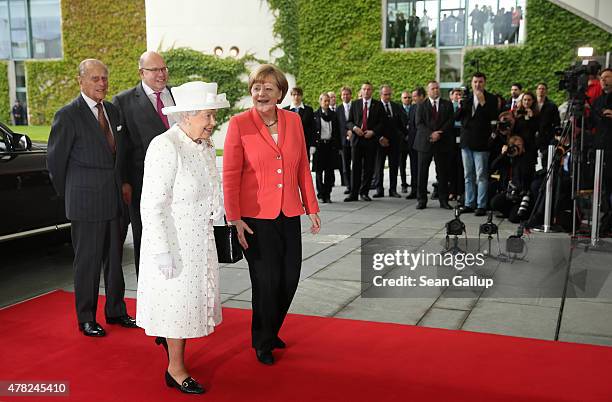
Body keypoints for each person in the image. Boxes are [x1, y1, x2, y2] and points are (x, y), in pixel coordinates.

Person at [223, 64, 321, 365]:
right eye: (256, 87)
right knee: (265, 281)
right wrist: (234, 217)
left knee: (289, 278)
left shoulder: (293, 121)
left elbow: (302, 165)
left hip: (289, 212)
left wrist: (312, 207)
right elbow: (230, 174)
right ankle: (262, 340)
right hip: (254, 218)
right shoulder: (239, 124)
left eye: (268, 87)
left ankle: (271, 327)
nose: (261, 92)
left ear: (280, 92)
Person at [136, 81, 229, 394]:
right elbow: (151, 204)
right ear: (187, 116)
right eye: (208, 116)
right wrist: (162, 251)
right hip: (175, 244)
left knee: (188, 306)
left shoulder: (203, 144)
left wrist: (219, 211)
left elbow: (211, 183)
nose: (213, 122)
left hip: (200, 241)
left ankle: (176, 360)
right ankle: (175, 370)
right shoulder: (165, 146)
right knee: (177, 308)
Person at [47, 59, 136, 337]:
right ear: (81, 81)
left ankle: (116, 310)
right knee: (87, 262)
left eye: (104, 78)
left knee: (114, 258)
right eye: (96, 79)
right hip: (85, 203)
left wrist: (123, 182)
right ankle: (86, 317)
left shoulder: (112, 111)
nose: (102, 83)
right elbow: (55, 162)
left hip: (114, 201)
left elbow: (120, 154)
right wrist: (73, 194)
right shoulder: (68, 115)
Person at [112, 51, 175, 276]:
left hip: (180, 185)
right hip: (144, 185)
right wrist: (124, 182)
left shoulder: (177, 96)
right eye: (155, 70)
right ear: (141, 72)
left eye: (164, 68)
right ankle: (150, 294)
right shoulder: (123, 101)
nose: (161, 74)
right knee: (148, 239)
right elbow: (121, 148)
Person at [456, 72, 499, 216]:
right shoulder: (466, 97)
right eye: (475, 82)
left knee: (481, 175)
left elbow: (493, 118)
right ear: (472, 82)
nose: (477, 84)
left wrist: (483, 103)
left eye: (480, 82)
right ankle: (469, 203)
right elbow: (457, 117)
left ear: (484, 83)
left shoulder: (491, 99)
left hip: (481, 142)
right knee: (468, 175)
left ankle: (481, 205)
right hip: (466, 141)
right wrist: (461, 104)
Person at [414, 81, 454, 210]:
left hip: (442, 143)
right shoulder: (421, 105)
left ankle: (443, 200)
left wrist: (439, 133)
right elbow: (419, 124)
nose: (436, 90)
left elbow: (450, 121)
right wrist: (431, 134)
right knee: (422, 173)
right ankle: (421, 200)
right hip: (425, 143)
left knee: (443, 173)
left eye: (437, 88)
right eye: (433, 88)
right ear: (428, 90)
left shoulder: (447, 104)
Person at [344, 81, 387, 202]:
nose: (366, 91)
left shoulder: (378, 105)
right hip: (357, 140)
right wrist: (354, 128)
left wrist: (373, 132)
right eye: (364, 89)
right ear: (361, 91)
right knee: (356, 167)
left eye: (369, 89)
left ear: (372, 91)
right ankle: (353, 193)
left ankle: (364, 192)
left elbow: (382, 123)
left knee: (369, 168)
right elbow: (349, 121)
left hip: (370, 140)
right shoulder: (356, 104)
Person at [490, 136, 533, 223]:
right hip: (509, 192)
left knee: (514, 219)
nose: (517, 147)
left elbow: (526, 175)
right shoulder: (508, 158)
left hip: (521, 194)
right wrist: (503, 154)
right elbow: (493, 167)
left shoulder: (527, 158)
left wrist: (519, 156)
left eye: (519, 145)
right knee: (494, 202)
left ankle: (514, 213)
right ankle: (509, 212)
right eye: (514, 145)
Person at [373, 85, 404, 198]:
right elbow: (373, 125)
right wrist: (380, 138)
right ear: (381, 94)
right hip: (380, 141)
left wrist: (401, 136)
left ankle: (393, 189)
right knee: (379, 166)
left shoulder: (396, 106)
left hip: (394, 142)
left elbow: (401, 123)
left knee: (394, 166)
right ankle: (379, 189)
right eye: (385, 94)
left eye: (389, 94)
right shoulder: (375, 106)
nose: (388, 96)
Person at [313, 93, 341, 203]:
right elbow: (312, 131)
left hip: (330, 146)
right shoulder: (315, 115)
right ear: (320, 102)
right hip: (319, 146)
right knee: (319, 171)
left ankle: (328, 194)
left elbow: (337, 131)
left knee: (329, 171)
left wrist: (338, 147)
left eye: (328, 101)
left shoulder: (333, 115)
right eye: (324, 101)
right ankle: (320, 193)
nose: (327, 103)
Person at [283, 87, 315, 162]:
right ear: (291, 96)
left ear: (302, 96)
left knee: (304, 166)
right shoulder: (285, 110)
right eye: (294, 95)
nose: (296, 97)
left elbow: (313, 128)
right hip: (290, 144)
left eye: (298, 95)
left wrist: (313, 144)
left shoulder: (309, 110)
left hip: (305, 144)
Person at [337, 86, 353, 195]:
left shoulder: (356, 106)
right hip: (343, 141)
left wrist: (352, 131)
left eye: (347, 94)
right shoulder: (338, 109)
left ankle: (357, 184)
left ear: (350, 95)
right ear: (341, 96)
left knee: (357, 164)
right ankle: (348, 186)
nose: (345, 96)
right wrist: (345, 133)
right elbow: (338, 125)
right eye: (343, 94)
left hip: (355, 139)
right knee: (345, 165)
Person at [399, 90, 412, 193]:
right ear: (401, 99)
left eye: (409, 97)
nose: (407, 99)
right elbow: (397, 125)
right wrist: (404, 135)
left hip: (412, 140)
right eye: (405, 97)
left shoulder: (414, 108)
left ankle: (415, 183)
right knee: (402, 163)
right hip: (402, 141)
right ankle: (404, 184)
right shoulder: (398, 109)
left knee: (414, 163)